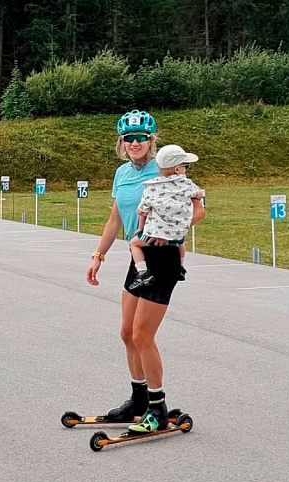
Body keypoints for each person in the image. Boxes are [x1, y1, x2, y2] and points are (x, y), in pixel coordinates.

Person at [86, 110, 205, 434]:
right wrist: (99, 255)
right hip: (136, 256)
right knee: (127, 333)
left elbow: (198, 209)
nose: (134, 143)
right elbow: (115, 220)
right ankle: (138, 401)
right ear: (121, 143)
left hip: (162, 257)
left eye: (141, 138)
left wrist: (168, 231)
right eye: (128, 138)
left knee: (143, 335)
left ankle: (157, 407)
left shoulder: (166, 169)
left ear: (151, 140)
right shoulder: (122, 174)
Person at [128, 144, 204, 291]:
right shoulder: (187, 185)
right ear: (177, 169)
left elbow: (142, 211)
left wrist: (140, 228)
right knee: (181, 243)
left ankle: (143, 273)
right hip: (177, 234)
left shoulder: (151, 187)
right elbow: (199, 194)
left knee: (134, 244)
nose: (186, 170)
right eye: (186, 166)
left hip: (155, 234)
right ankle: (181, 267)